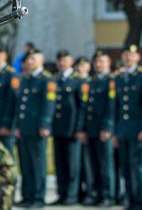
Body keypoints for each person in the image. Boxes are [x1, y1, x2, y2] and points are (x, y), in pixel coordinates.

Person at [14, 48, 56, 208]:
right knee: (25, 163)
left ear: (41, 60)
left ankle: (38, 197)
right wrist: (17, 125)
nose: (29, 62)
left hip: (38, 128)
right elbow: (20, 105)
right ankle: (27, 195)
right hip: (24, 128)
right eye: (28, 59)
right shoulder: (25, 79)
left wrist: (45, 124)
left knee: (38, 163)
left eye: (32, 59)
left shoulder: (47, 79)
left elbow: (48, 104)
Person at [78, 49, 115, 207]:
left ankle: (108, 195)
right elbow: (85, 108)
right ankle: (95, 193)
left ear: (108, 63)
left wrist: (107, 127)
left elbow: (111, 106)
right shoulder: (90, 82)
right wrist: (83, 129)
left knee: (105, 164)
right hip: (91, 129)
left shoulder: (111, 81)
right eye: (96, 62)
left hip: (103, 130)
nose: (98, 64)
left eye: (102, 62)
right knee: (92, 164)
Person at [49, 50, 86, 205]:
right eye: (60, 60)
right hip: (58, 129)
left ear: (71, 62)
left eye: (65, 60)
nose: (62, 63)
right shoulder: (55, 79)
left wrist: (79, 128)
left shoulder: (78, 80)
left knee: (72, 165)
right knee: (60, 164)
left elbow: (82, 107)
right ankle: (62, 194)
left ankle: (72, 195)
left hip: (72, 129)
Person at [113, 44, 142, 210]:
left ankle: (139, 201)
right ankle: (130, 200)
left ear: (138, 57)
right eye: (125, 55)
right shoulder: (120, 78)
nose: (128, 58)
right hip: (123, 130)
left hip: (137, 129)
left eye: (132, 55)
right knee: (125, 166)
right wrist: (116, 132)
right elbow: (117, 107)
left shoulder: (140, 76)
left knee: (137, 167)